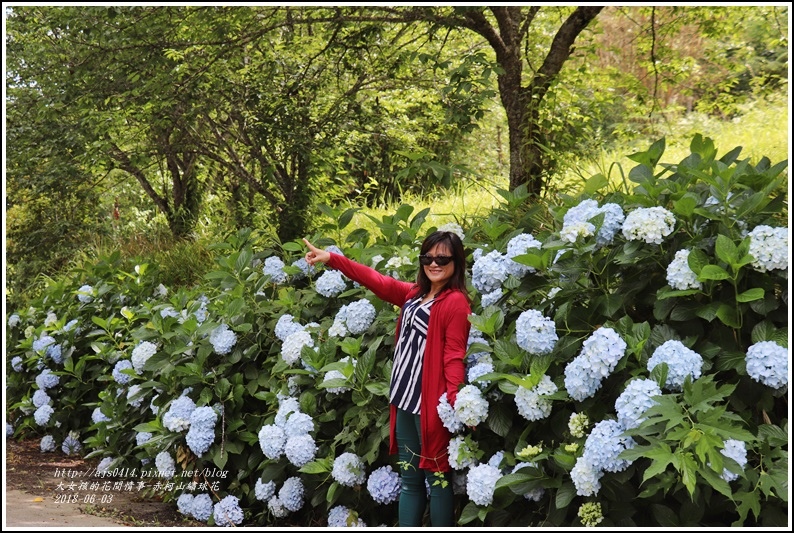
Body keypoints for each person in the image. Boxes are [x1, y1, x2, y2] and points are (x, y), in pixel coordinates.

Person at [303, 231, 471, 527]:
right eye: (427, 257)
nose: (434, 263)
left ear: (456, 262)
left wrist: (459, 403)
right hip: (403, 399)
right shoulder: (414, 294)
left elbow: (454, 356)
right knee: (410, 478)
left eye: (442, 258)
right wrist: (333, 259)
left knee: (438, 478)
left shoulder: (455, 302)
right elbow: (377, 281)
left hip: (429, 405)